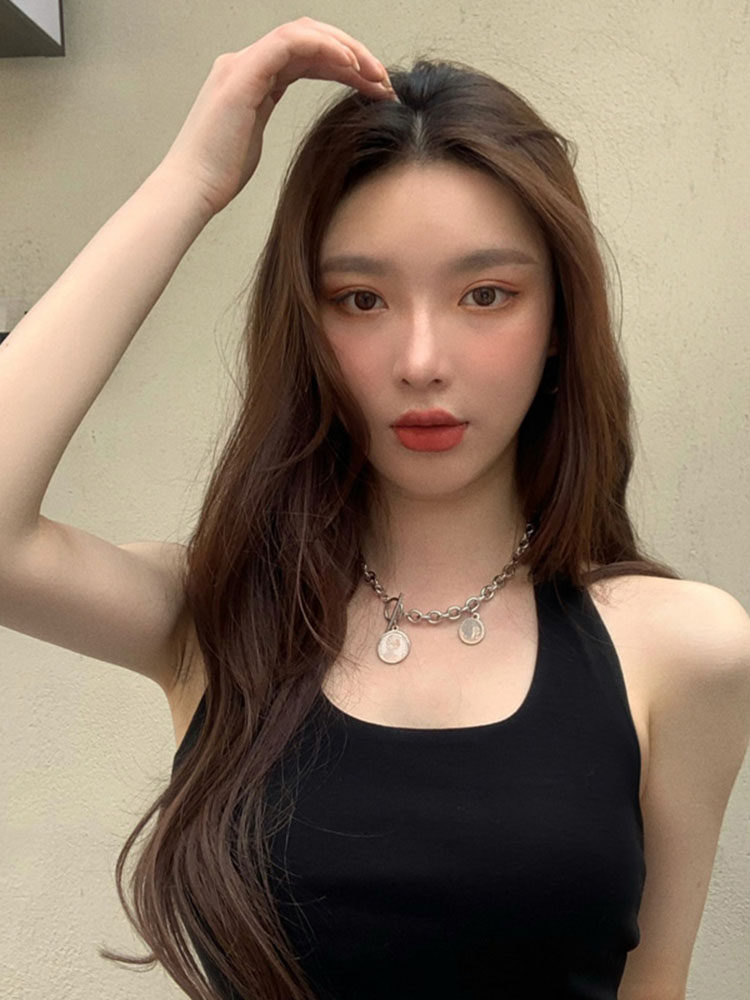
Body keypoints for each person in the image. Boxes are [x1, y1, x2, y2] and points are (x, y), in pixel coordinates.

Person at [0, 15, 748, 1000]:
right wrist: (190, 181)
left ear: (560, 321)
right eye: (361, 299)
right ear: (307, 324)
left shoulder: (683, 649)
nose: (422, 360)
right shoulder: (220, 612)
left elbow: (657, 987)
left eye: (486, 294)